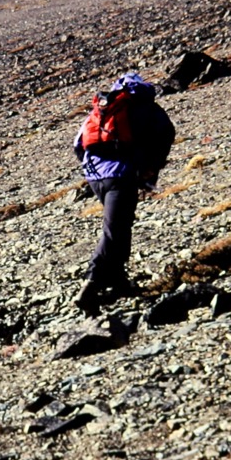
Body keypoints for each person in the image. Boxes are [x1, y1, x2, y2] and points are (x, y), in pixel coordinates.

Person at [72, 72, 175, 311]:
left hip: (96, 177)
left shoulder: (104, 106)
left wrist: (92, 167)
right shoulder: (147, 107)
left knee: (121, 225)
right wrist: (151, 167)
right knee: (114, 230)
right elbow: (166, 134)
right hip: (122, 175)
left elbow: (78, 144)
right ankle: (92, 282)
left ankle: (118, 279)